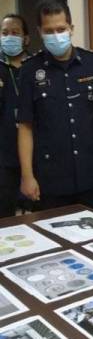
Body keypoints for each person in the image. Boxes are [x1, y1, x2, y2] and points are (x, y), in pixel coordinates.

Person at [17, 0, 93, 211]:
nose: (56, 35)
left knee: (92, 237)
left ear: (71, 28)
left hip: (90, 173)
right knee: (55, 240)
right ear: (39, 32)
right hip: (50, 178)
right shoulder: (30, 70)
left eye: (61, 28)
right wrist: (27, 175)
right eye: (49, 31)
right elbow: (25, 126)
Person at [0, 14, 30, 217]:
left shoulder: (37, 67)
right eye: (4, 33)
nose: (9, 37)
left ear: (26, 39)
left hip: (36, 154)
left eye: (15, 33)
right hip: (4, 155)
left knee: (39, 212)